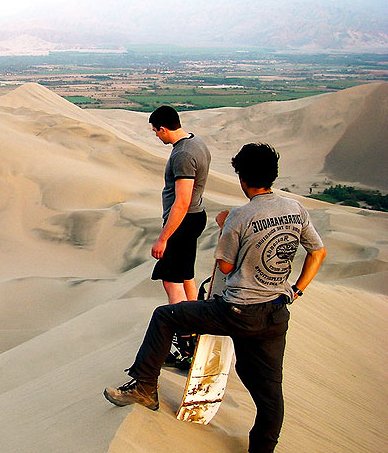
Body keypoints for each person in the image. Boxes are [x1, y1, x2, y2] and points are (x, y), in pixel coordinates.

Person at [103, 143, 327, 453]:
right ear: (272, 176)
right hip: (275, 315)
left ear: (242, 179)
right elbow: (318, 252)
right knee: (270, 396)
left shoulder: (240, 215)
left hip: (234, 311)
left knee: (165, 316)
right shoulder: (295, 209)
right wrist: (296, 290)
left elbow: (225, 266)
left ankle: (145, 387)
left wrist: (224, 227)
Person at [149, 105, 211, 305]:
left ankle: (183, 329)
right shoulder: (197, 142)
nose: (157, 136)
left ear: (163, 129)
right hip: (194, 216)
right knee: (186, 275)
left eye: (155, 131)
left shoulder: (183, 154)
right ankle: (194, 320)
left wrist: (162, 239)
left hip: (183, 221)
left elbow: (182, 202)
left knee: (171, 280)